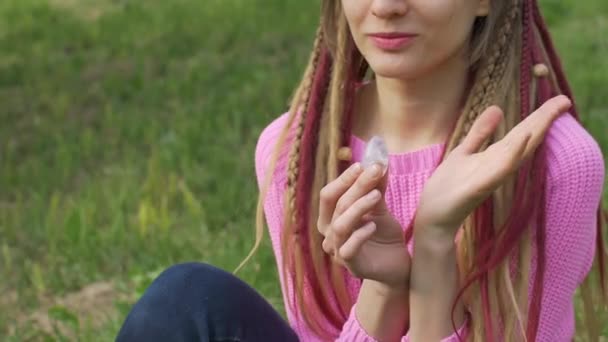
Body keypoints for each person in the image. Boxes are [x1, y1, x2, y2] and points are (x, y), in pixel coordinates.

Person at [116, 0, 607, 341]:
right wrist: (385, 287)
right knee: (185, 299)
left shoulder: (554, 167)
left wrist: (435, 244)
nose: (387, 7)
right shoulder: (299, 148)